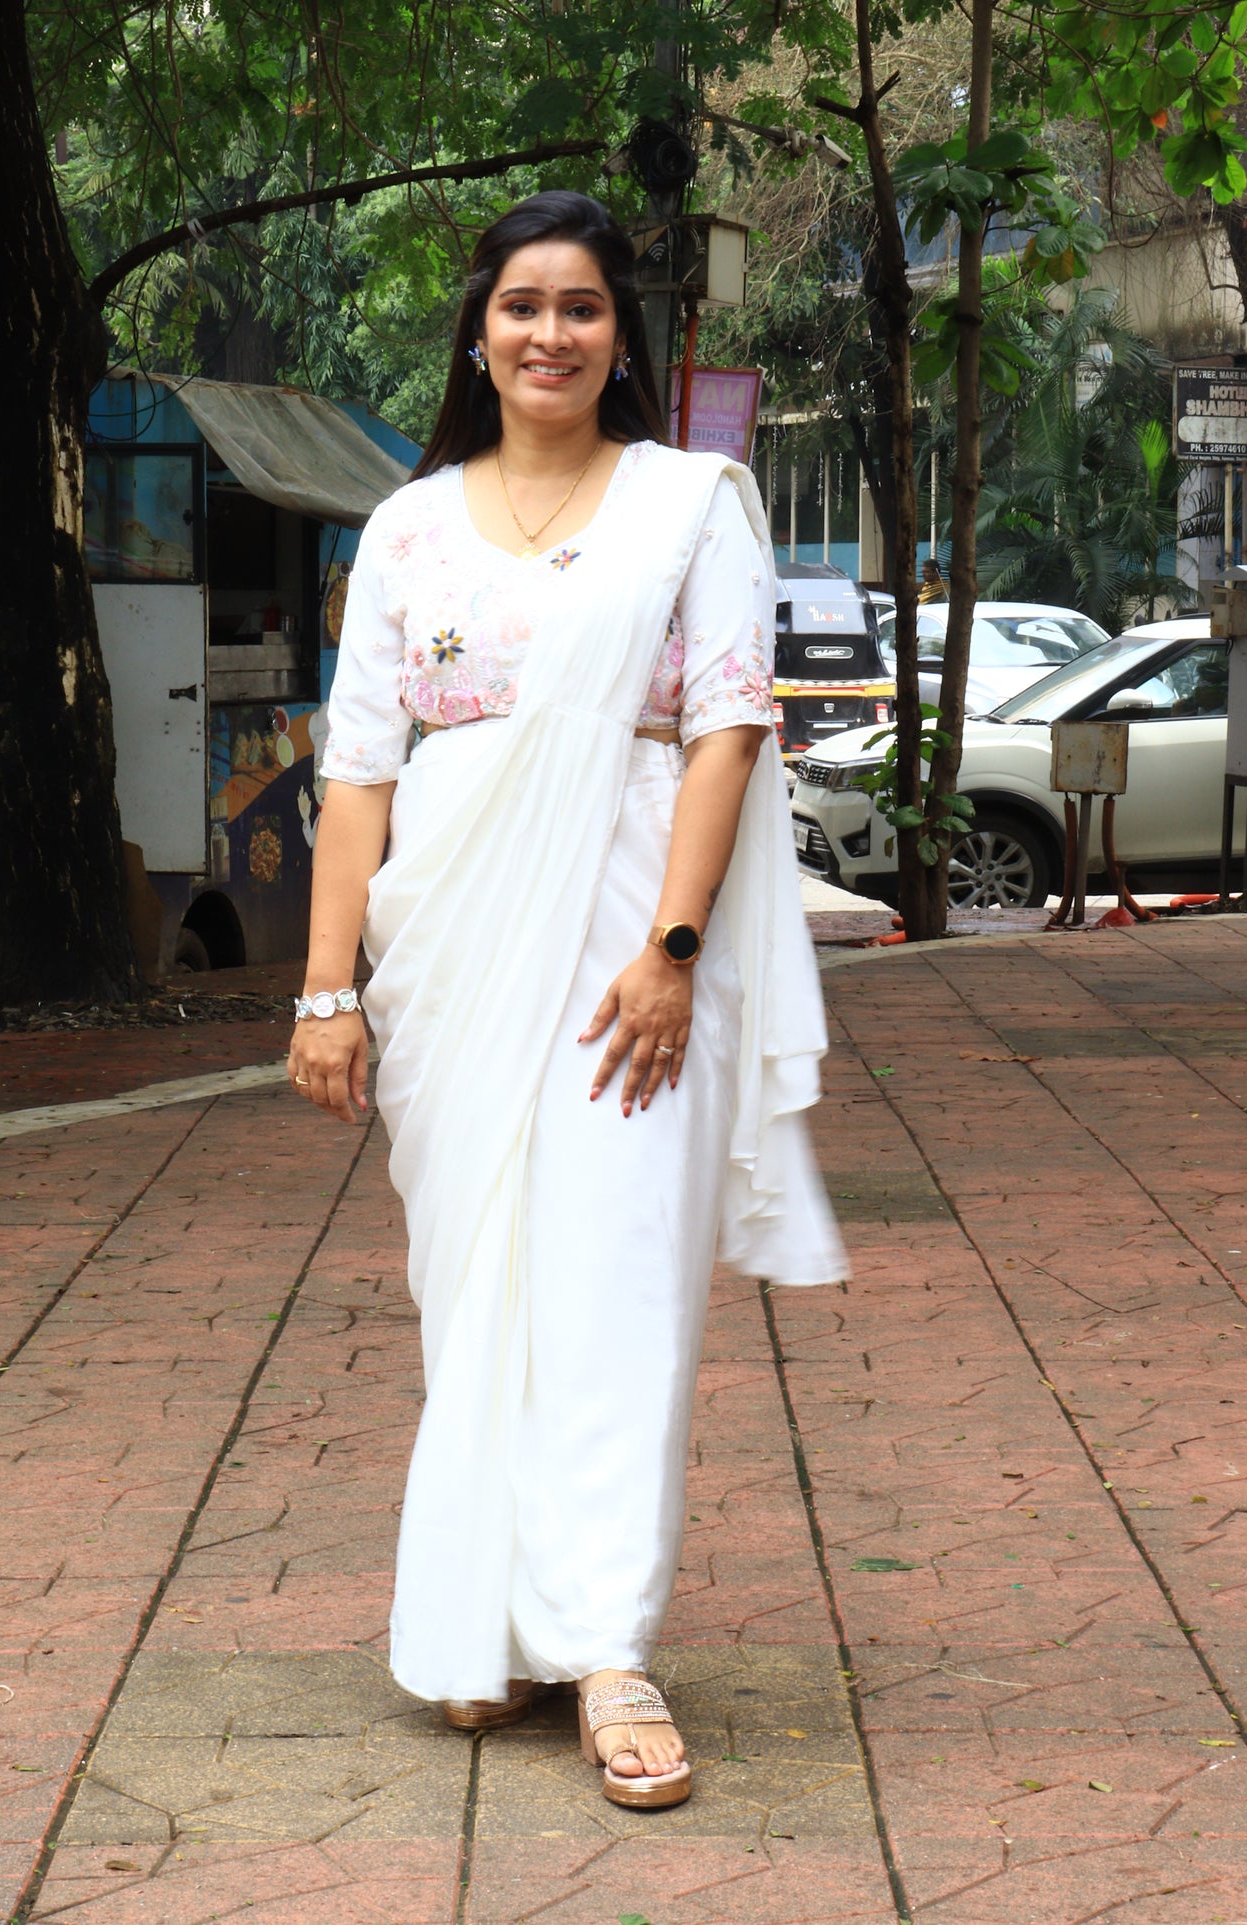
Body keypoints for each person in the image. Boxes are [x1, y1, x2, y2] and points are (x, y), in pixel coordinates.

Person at [287, 190, 845, 1813]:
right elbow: (356, 773)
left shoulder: (688, 506)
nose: (550, 333)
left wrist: (671, 950)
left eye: (581, 307)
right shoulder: (406, 528)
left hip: (628, 945)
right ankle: (488, 1618)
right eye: (522, 305)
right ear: (479, 332)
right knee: (476, 1284)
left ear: (620, 335)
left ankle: (605, 1645)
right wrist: (326, 991)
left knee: (612, 1279)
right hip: (450, 950)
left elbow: (728, 730)